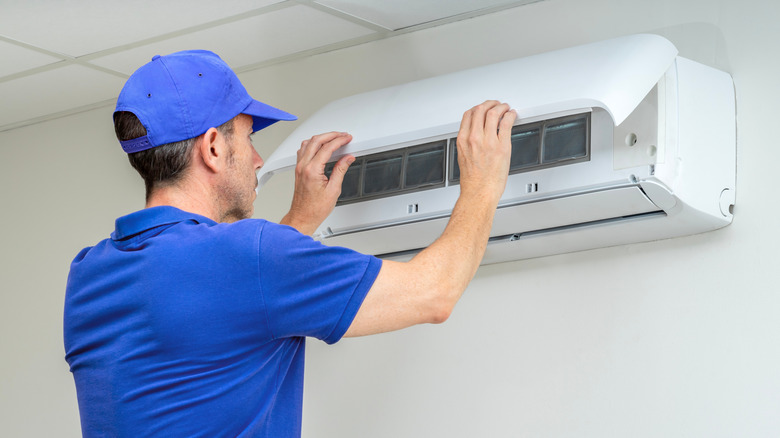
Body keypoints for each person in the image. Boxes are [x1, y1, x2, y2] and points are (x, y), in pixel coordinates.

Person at [64, 50, 516, 437]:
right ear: (213, 148)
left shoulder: (88, 276)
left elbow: (217, 312)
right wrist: (482, 184)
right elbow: (432, 294)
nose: (259, 158)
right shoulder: (250, 255)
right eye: (248, 136)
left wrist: (298, 222)